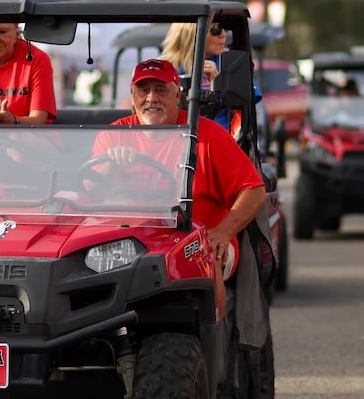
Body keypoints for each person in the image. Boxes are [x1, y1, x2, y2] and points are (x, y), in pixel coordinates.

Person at [91, 58, 265, 319]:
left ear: (177, 94)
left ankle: (210, 342)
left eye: (160, 90)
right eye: (143, 90)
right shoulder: (114, 135)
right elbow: (88, 189)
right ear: (132, 95)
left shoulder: (207, 134)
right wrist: (110, 167)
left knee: (207, 256)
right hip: (134, 242)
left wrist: (223, 231)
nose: (151, 98)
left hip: (201, 238)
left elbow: (254, 190)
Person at [160, 21, 259, 130]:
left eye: (225, 28)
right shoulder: (168, 67)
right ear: (193, 34)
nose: (223, 34)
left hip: (222, 137)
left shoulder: (233, 63)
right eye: (215, 30)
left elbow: (249, 113)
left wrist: (220, 85)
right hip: (181, 137)